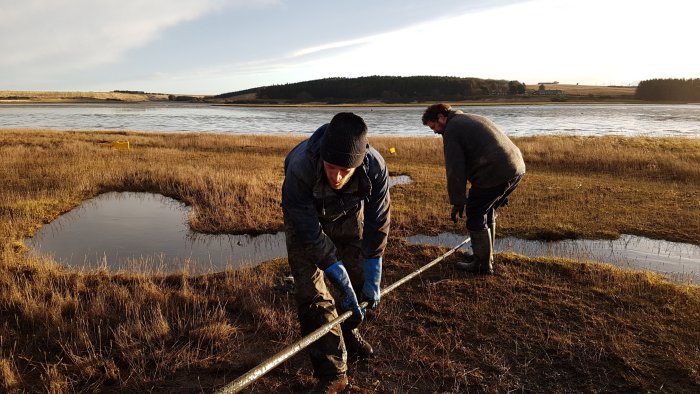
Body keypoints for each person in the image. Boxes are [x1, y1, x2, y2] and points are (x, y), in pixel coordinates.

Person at [282, 112, 391, 393]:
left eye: (346, 170)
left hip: (347, 213)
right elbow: (307, 228)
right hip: (304, 219)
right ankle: (332, 373)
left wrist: (374, 265)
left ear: (360, 162)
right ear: (322, 158)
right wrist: (331, 265)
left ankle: (347, 330)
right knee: (312, 294)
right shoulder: (300, 165)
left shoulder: (375, 165)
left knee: (357, 280)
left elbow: (378, 220)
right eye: (331, 168)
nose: (338, 176)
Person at [422, 103, 525, 275]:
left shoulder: (452, 130)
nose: (435, 131)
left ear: (441, 117)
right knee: (486, 209)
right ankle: (484, 256)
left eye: (434, 126)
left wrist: (458, 201)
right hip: (516, 168)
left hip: (496, 172)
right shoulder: (469, 118)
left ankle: (482, 265)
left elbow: (455, 169)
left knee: (475, 213)